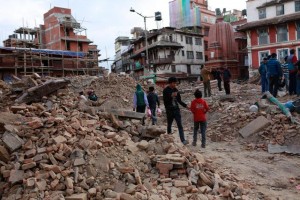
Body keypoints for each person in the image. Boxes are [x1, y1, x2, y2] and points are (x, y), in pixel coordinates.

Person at [163, 77, 189, 145]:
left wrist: (186, 106)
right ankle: (169, 139)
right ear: (171, 83)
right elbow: (165, 101)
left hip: (176, 110)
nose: (175, 84)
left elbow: (179, 100)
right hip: (169, 110)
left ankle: (183, 140)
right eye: (174, 83)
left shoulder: (176, 90)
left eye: (175, 83)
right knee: (169, 125)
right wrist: (171, 96)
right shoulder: (165, 90)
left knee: (180, 125)